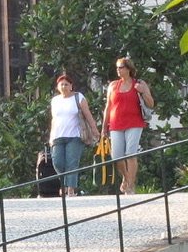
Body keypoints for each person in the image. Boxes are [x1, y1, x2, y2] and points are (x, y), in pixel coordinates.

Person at [103, 56, 156, 195]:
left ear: (128, 69)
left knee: (130, 153)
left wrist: (143, 92)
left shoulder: (139, 83)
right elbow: (108, 107)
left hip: (134, 122)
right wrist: (104, 128)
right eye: (117, 68)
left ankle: (131, 186)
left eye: (121, 67)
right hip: (116, 123)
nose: (118, 70)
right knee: (117, 156)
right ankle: (126, 178)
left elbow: (151, 104)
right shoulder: (113, 85)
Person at [46, 73, 98, 197]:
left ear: (71, 86)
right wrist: (51, 137)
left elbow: (87, 115)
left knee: (72, 162)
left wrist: (94, 129)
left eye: (66, 84)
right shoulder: (55, 101)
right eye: (61, 84)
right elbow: (54, 119)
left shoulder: (78, 97)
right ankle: (64, 183)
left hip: (75, 136)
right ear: (58, 87)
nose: (64, 86)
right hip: (58, 135)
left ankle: (70, 189)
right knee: (57, 162)